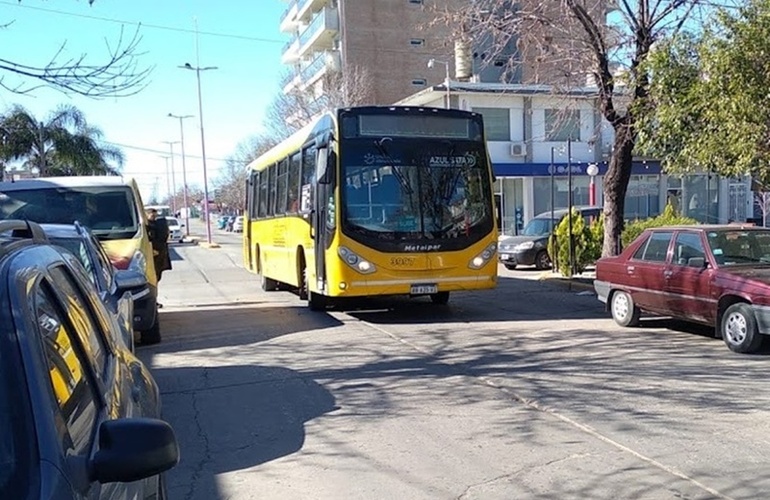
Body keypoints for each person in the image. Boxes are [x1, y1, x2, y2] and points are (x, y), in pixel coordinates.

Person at [146, 208, 172, 283]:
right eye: (152, 215)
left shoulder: (154, 225)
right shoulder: (158, 224)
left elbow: (164, 236)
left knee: (156, 272)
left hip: (156, 251)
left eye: (155, 216)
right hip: (159, 251)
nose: (154, 217)